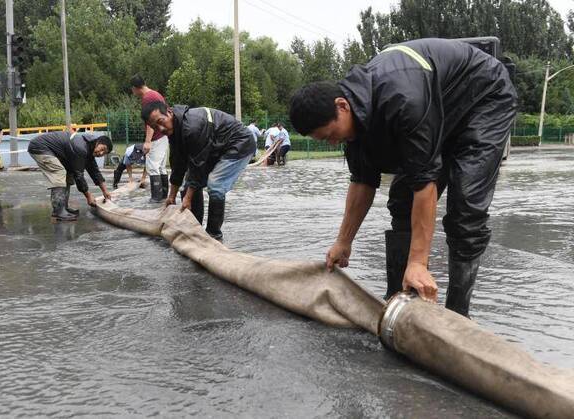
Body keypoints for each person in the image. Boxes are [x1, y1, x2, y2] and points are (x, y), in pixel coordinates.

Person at [289, 38, 517, 317]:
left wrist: (419, 261)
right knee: (401, 200)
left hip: (484, 98)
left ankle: (458, 314)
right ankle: (402, 296)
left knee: (465, 207)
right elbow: (362, 181)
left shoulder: (402, 101)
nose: (333, 143)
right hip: (440, 107)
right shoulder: (356, 114)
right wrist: (343, 241)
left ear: (342, 106)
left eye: (330, 135)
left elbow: (424, 184)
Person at [142, 102, 256, 240]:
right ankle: (196, 230)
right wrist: (171, 197)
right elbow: (178, 164)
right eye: (155, 127)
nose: (161, 128)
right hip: (215, 148)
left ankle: (214, 234)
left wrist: (187, 198)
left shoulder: (192, 126)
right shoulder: (175, 130)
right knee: (186, 186)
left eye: (161, 121)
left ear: (169, 112)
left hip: (239, 143)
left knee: (215, 185)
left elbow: (198, 165)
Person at [28, 131, 113, 222]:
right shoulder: (80, 147)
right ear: (98, 142)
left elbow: (95, 171)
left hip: (51, 150)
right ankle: (58, 211)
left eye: (104, 153)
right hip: (40, 147)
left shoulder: (89, 148)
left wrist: (105, 191)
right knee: (59, 172)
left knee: (69, 174)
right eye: (102, 149)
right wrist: (88, 196)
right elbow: (79, 175)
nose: (101, 153)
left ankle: (63, 208)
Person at [130, 74, 169, 202]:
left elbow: (152, 121)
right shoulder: (154, 94)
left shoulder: (149, 98)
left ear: (135, 88)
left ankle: (156, 198)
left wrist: (147, 141)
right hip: (163, 134)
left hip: (157, 136)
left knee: (152, 166)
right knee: (161, 166)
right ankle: (163, 196)